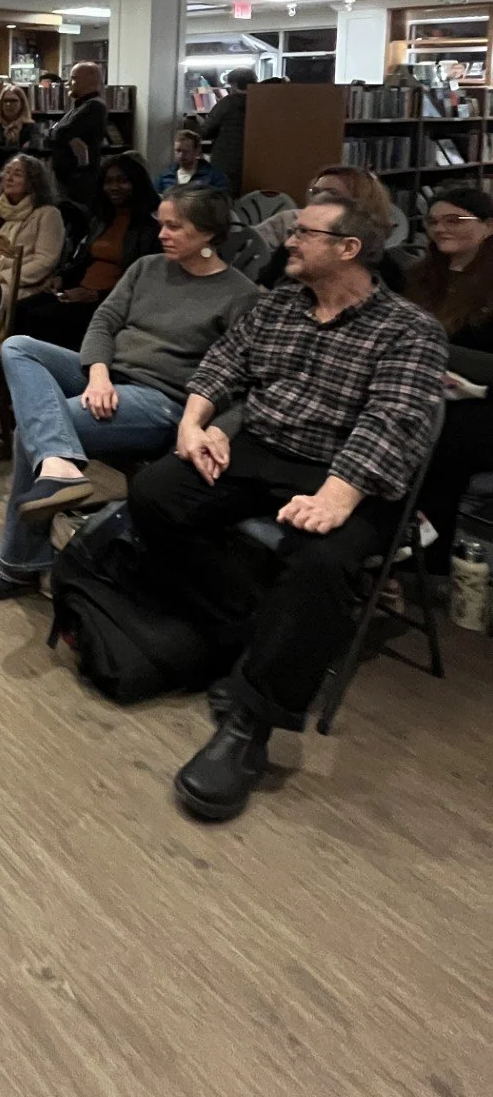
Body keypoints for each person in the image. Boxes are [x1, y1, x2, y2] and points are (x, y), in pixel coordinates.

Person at [129, 192, 447, 823]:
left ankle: (250, 725)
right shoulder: (277, 305)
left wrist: (339, 492)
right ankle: (247, 621)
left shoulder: (410, 331)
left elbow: (394, 421)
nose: (288, 242)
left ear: (348, 249)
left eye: (304, 234)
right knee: (157, 492)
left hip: (348, 472)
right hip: (264, 447)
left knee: (324, 560)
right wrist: (195, 425)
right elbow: (224, 365)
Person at [0, 185, 257, 602]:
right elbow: (103, 323)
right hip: (109, 378)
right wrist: (97, 374)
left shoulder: (241, 296)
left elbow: (244, 381)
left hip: (163, 400)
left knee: (32, 431)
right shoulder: (147, 268)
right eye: (161, 225)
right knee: (19, 346)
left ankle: (17, 563)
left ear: (209, 234)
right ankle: (59, 465)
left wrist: (213, 430)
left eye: (175, 227)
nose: (162, 234)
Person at [403, 185, 493, 575]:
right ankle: (391, 533)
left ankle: (428, 557)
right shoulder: (420, 275)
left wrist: (433, 351)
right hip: (423, 388)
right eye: (434, 221)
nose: (441, 229)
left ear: (488, 226)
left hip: (481, 401)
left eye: (455, 220)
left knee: (436, 440)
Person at [13, 154, 160, 350]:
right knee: (20, 309)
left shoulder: (150, 227)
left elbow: (142, 282)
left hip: (108, 299)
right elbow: (83, 259)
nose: (114, 187)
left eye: (122, 181)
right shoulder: (101, 220)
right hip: (78, 289)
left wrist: (95, 295)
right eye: (108, 182)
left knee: (42, 319)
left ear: (137, 183)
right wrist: (61, 277)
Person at [254, 164, 400, 290]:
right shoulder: (290, 251)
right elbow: (262, 294)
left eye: (331, 194)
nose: (318, 199)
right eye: (315, 192)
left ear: (360, 204)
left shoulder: (379, 267)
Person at [0, 155, 64, 308]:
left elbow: (44, 261)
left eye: (17, 174)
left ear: (32, 183)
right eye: (7, 172)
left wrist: (1, 277)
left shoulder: (48, 213)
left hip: (16, 284)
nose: (8, 178)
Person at [44, 62, 107, 204]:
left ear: (91, 80)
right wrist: (57, 132)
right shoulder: (78, 107)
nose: (68, 83)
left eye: (74, 78)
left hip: (79, 181)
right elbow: (52, 136)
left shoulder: (94, 106)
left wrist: (55, 131)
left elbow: (60, 132)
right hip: (66, 180)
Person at [199, 67, 256, 194]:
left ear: (234, 85)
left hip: (226, 162)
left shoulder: (227, 103)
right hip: (255, 162)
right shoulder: (261, 103)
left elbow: (205, 131)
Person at [154, 129, 228, 195]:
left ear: (197, 151)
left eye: (186, 151)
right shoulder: (165, 175)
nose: (181, 155)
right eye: (178, 150)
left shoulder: (214, 177)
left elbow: (223, 202)